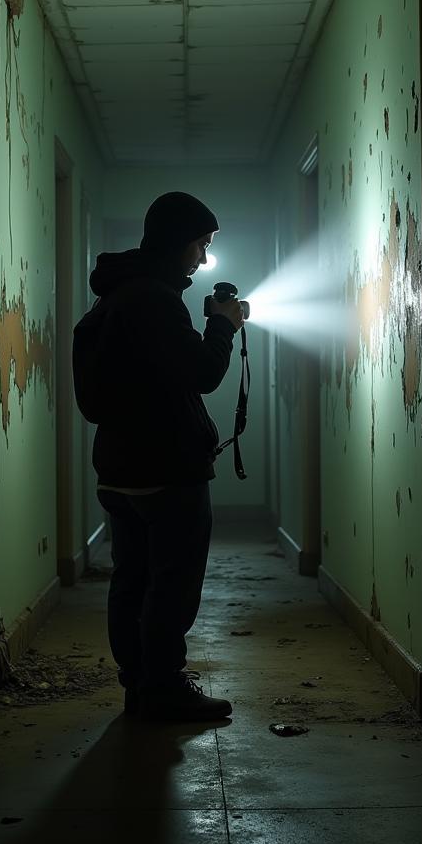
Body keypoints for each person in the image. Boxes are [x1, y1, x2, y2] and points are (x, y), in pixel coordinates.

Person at [72, 192, 245, 721]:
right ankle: (163, 687)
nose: (202, 257)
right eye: (201, 244)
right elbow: (203, 374)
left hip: (121, 469)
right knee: (171, 587)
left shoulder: (120, 295)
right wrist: (222, 324)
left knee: (131, 582)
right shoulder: (154, 299)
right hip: (168, 471)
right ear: (178, 241)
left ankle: (140, 684)